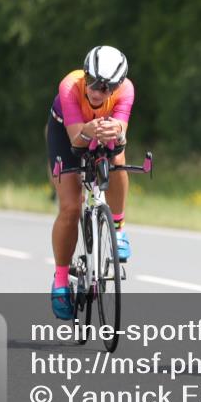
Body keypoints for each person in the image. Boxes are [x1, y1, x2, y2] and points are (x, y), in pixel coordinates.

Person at [47, 46, 135, 320]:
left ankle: (118, 229)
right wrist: (89, 130)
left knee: (118, 160)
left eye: (107, 87)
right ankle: (61, 280)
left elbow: (121, 133)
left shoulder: (127, 91)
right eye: (94, 82)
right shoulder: (70, 86)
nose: (98, 91)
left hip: (100, 129)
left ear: (118, 86)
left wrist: (117, 132)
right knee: (71, 207)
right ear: (85, 76)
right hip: (67, 132)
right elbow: (76, 141)